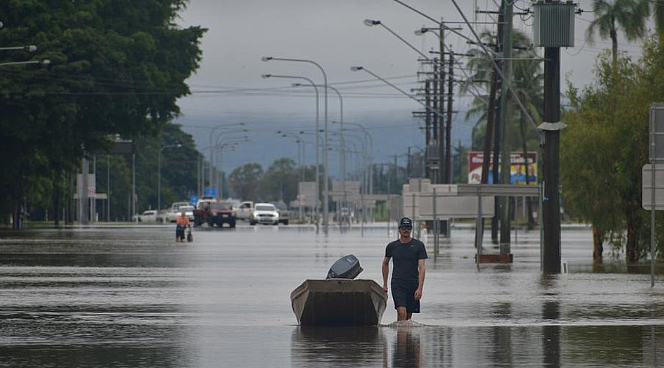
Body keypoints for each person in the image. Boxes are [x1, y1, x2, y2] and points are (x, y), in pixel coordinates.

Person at [382, 217, 428, 321]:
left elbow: (422, 268)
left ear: (411, 229)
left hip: (413, 283)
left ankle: (404, 336)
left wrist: (420, 288)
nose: (406, 230)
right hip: (397, 283)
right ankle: (401, 336)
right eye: (403, 228)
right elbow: (385, 263)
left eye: (408, 227)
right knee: (401, 313)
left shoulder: (418, 246)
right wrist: (385, 284)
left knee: (407, 317)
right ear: (399, 229)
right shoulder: (392, 246)